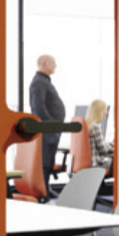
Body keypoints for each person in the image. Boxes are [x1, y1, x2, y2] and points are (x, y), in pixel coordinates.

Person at [29, 54, 66, 183]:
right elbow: (38, 108)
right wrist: (51, 128)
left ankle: (45, 194)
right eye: (53, 63)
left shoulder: (43, 81)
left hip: (50, 132)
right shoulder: (39, 82)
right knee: (44, 166)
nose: (55, 65)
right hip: (47, 133)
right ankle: (43, 197)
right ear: (44, 63)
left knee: (48, 165)